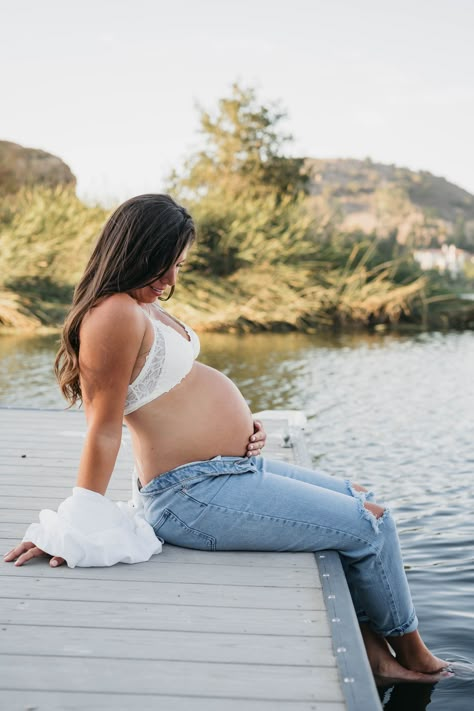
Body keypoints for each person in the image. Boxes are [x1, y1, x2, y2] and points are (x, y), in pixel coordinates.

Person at [4, 194, 452, 683]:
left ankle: (376, 653)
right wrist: (76, 526)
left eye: (178, 266)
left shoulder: (138, 305)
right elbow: (104, 428)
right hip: (192, 494)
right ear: (132, 252)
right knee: (372, 525)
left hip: (227, 470)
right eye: (163, 265)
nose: (171, 280)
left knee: (360, 499)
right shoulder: (112, 314)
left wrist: (241, 427)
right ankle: (418, 659)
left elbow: (172, 389)